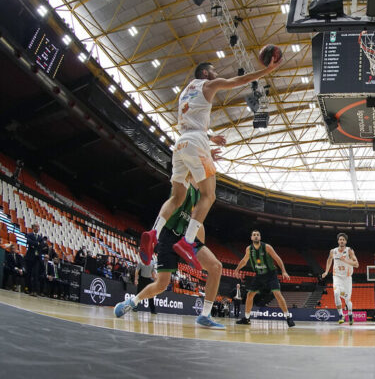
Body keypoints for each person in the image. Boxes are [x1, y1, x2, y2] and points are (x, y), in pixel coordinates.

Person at [139, 55, 282, 269]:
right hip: (196, 141)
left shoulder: (185, 93)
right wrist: (267, 71)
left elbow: (191, 123)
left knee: (177, 197)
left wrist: (209, 141)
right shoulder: (208, 84)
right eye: (213, 71)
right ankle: (187, 242)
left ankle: (153, 232)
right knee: (209, 195)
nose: (216, 74)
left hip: (180, 145)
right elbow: (237, 82)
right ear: (205, 73)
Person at [115, 181, 225, 329]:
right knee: (161, 284)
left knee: (216, 267)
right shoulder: (185, 178)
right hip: (169, 235)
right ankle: (132, 302)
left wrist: (200, 248)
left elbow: (199, 222)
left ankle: (205, 315)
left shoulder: (202, 194)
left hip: (188, 237)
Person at [233, 230, 295, 327]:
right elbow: (244, 261)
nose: (256, 236)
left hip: (271, 274)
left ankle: (288, 317)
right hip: (259, 275)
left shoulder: (267, 247)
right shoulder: (249, 249)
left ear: (260, 237)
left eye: (258, 235)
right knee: (250, 295)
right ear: (251, 238)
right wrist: (237, 269)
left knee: (277, 294)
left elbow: (277, 258)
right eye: (254, 235)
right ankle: (247, 318)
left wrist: (283, 271)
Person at [321, 233, 359, 325]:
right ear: (338, 241)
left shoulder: (349, 250)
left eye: (343, 240)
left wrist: (345, 260)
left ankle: (350, 314)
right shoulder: (333, 251)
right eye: (340, 239)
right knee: (336, 293)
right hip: (337, 276)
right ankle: (340, 315)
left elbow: (356, 264)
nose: (341, 241)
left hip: (347, 278)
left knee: (347, 300)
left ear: (346, 241)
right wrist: (326, 271)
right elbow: (329, 259)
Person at [24, 222, 44, 296]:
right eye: (36, 226)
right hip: (29, 257)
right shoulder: (29, 234)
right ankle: (27, 289)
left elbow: (41, 246)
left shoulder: (40, 238)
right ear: (33, 227)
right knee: (28, 273)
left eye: (38, 227)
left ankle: (34, 291)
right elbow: (28, 241)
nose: (37, 228)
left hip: (37, 258)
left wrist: (34, 244)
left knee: (35, 274)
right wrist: (37, 244)